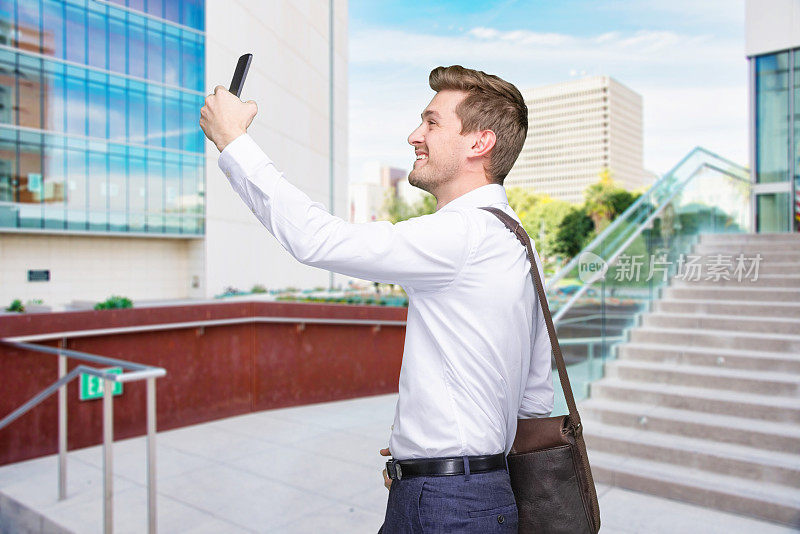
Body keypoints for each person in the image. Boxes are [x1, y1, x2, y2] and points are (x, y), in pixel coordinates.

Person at [200, 64, 554, 533]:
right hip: (474, 493)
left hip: (447, 504)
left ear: (479, 143)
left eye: (431, 122)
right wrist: (433, 448)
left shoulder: (463, 232)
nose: (414, 135)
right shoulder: (517, 239)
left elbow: (318, 240)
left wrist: (233, 141)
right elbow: (533, 396)